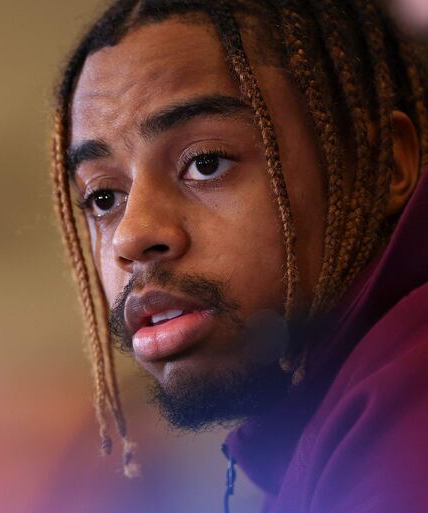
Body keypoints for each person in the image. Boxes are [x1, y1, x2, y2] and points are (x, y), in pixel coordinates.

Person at [50, 1, 428, 511]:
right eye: (103, 198)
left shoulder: (409, 414)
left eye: (206, 163)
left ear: (387, 165)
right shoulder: (316, 413)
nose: (130, 237)